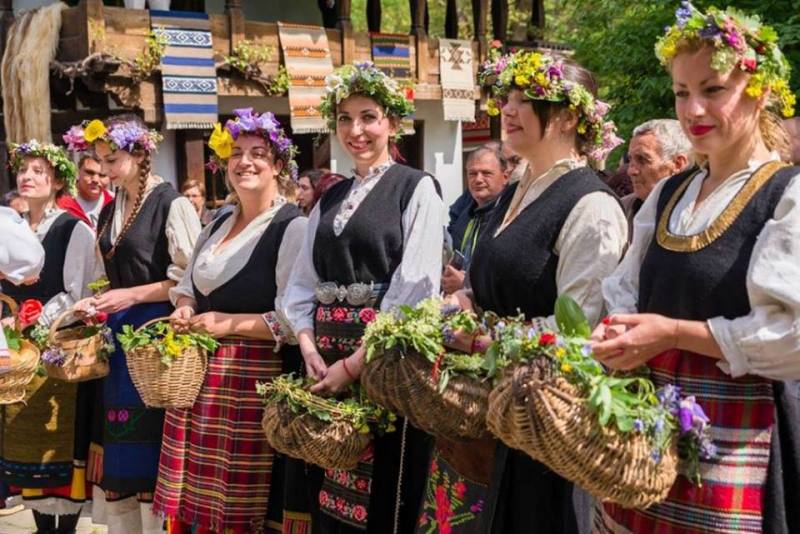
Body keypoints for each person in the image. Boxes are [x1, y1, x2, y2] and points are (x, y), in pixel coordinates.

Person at [592, 4, 800, 532]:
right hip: (642, 439)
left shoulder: (785, 196)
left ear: (760, 91)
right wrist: (617, 333)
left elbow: (791, 336)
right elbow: (624, 289)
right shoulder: (669, 192)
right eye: (683, 92)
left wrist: (674, 334)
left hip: (737, 440)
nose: (693, 109)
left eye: (712, 89)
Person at [432, 50, 627, 534]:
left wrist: (481, 342)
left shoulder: (592, 206)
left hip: (544, 424)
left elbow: (578, 336)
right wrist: (446, 312)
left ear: (567, 116)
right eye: (508, 97)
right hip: (484, 412)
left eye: (526, 99)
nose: (508, 109)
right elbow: (484, 290)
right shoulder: (518, 190)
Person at [283, 60, 444, 533]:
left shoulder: (416, 189)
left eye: (368, 116)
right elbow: (301, 282)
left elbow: (414, 289)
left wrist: (353, 365)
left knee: (384, 492)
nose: (356, 130)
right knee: (328, 480)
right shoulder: (330, 198)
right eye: (346, 119)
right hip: (324, 358)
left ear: (392, 123)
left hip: (382, 364)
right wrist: (308, 345)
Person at [152, 109, 306, 533]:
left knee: (237, 510)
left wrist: (226, 323)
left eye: (259, 153)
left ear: (278, 165)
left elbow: (292, 322)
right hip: (198, 379)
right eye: (236, 153)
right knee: (196, 506)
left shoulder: (291, 227)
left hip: (249, 383)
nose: (245, 162)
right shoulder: (217, 221)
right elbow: (186, 283)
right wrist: (184, 306)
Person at [69, 115, 201, 534]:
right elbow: (110, 274)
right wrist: (98, 300)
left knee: (151, 452)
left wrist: (131, 295)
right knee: (122, 455)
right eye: (100, 160)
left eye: (112, 160)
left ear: (140, 154)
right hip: (120, 341)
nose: (105, 170)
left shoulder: (170, 203)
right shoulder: (110, 209)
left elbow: (188, 278)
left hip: (155, 338)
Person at [0, 140, 97, 534]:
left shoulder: (73, 229)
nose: (28, 176)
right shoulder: (13, 228)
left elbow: (80, 291)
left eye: (39, 171)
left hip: (58, 353)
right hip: (19, 354)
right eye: (23, 170)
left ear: (57, 180)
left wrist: (40, 323)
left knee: (57, 446)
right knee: (24, 446)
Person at [442, 144, 509, 294]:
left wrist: (467, 284)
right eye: (472, 173)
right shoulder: (464, 215)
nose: (478, 179)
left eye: (486, 173)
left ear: (505, 177)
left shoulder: (511, 217)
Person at [622, 118, 691, 223]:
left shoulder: (697, 214)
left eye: (642, 159)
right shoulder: (622, 211)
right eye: (630, 159)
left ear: (678, 164)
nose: (631, 171)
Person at [57, 154, 114, 228]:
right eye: (90, 173)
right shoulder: (59, 203)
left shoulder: (115, 203)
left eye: (102, 175)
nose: (95, 180)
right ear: (77, 172)